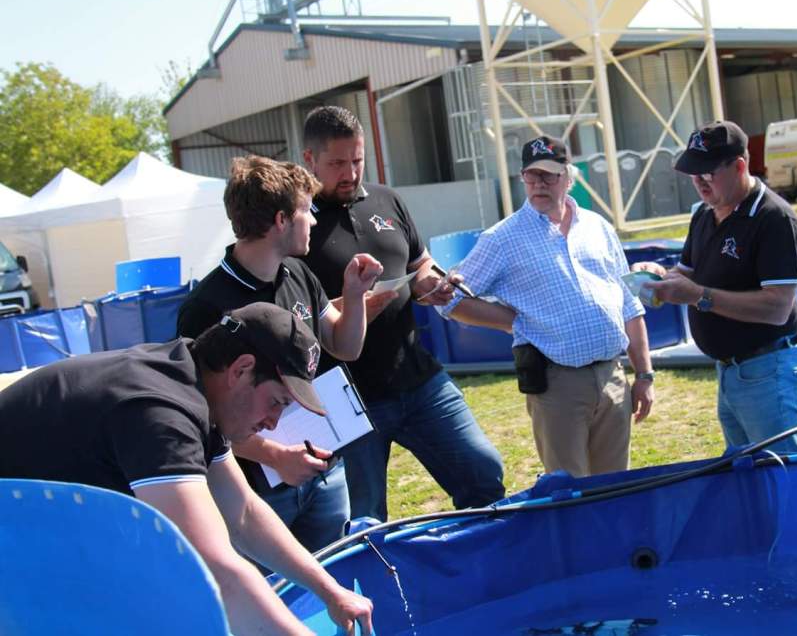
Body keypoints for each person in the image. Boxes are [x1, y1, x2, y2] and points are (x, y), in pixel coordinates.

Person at [0, 302, 374, 636]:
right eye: (276, 402)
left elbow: (243, 514)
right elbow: (215, 570)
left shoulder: (193, 379)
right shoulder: (160, 414)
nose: (273, 423)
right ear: (241, 369)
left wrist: (330, 590)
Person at [299, 105, 505, 522]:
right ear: (309, 159)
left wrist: (433, 283)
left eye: (357, 160)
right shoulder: (297, 223)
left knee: (484, 473)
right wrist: (353, 307)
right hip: (346, 398)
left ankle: (481, 559)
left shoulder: (387, 199)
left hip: (418, 377)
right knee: (361, 518)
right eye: (337, 164)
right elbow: (293, 313)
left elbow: (419, 264)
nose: (350, 173)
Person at [177, 155, 384, 553]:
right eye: (307, 211)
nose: (315, 222)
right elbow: (203, 416)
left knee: (330, 572)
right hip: (260, 489)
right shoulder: (205, 306)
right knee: (271, 584)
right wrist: (275, 456)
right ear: (281, 220)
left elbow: (344, 346)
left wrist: (355, 295)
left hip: (324, 468)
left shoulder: (299, 273)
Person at [441, 135, 655, 478]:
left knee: (616, 485)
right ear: (522, 178)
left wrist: (643, 374)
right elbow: (450, 299)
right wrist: (512, 321)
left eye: (549, 175)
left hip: (613, 377)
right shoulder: (503, 238)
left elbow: (628, 302)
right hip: (557, 385)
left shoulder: (598, 226)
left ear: (568, 178)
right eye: (532, 175)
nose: (539, 183)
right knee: (569, 488)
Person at [634, 120, 797, 453]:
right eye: (693, 173)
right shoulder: (705, 213)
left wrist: (701, 297)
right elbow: (687, 274)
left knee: (779, 472)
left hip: (768, 366)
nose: (699, 182)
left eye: (707, 172)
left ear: (740, 166)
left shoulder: (775, 219)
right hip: (732, 369)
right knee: (745, 472)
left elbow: (777, 307)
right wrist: (658, 275)